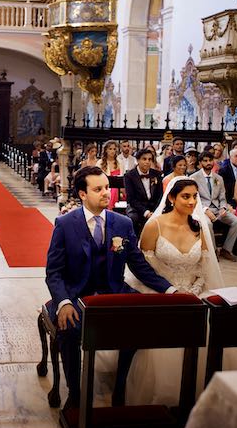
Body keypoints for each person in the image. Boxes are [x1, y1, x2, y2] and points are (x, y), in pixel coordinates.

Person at [123, 176, 237, 405]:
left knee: (231, 328)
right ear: (171, 198)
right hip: (161, 292)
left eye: (194, 196)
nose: (192, 202)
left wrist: (193, 290)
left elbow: (203, 266)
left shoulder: (198, 226)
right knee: (169, 337)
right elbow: (145, 270)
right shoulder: (155, 225)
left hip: (194, 292)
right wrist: (172, 291)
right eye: (186, 196)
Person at [45, 166, 175, 409]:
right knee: (69, 329)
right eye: (98, 189)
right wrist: (62, 302)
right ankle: (75, 394)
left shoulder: (122, 223)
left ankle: (120, 388)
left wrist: (170, 290)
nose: (106, 193)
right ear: (82, 194)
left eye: (107, 187)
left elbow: (139, 266)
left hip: (113, 292)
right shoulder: (64, 224)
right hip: (76, 295)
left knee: (143, 321)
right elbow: (53, 272)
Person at [190, 149, 237, 262]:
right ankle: (213, 252)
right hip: (202, 209)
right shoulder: (193, 178)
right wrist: (205, 210)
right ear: (200, 163)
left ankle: (226, 249)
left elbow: (222, 197)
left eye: (210, 160)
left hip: (218, 208)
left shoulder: (219, 178)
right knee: (208, 224)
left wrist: (223, 208)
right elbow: (195, 198)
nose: (208, 162)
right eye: (205, 161)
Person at [123, 149, 163, 236]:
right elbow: (131, 199)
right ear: (137, 160)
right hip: (136, 208)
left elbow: (160, 196)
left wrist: (155, 211)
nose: (147, 162)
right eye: (144, 159)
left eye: (149, 159)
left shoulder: (157, 174)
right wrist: (146, 212)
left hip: (153, 207)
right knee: (133, 218)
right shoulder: (129, 176)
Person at [98, 140, 122, 210]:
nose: (112, 151)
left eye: (114, 149)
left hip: (118, 189)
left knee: (114, 190)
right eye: (110, 149)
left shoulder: (120, 162)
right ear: (106, 150)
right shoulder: (100, 162)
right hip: (104, 188)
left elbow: (122, 178)